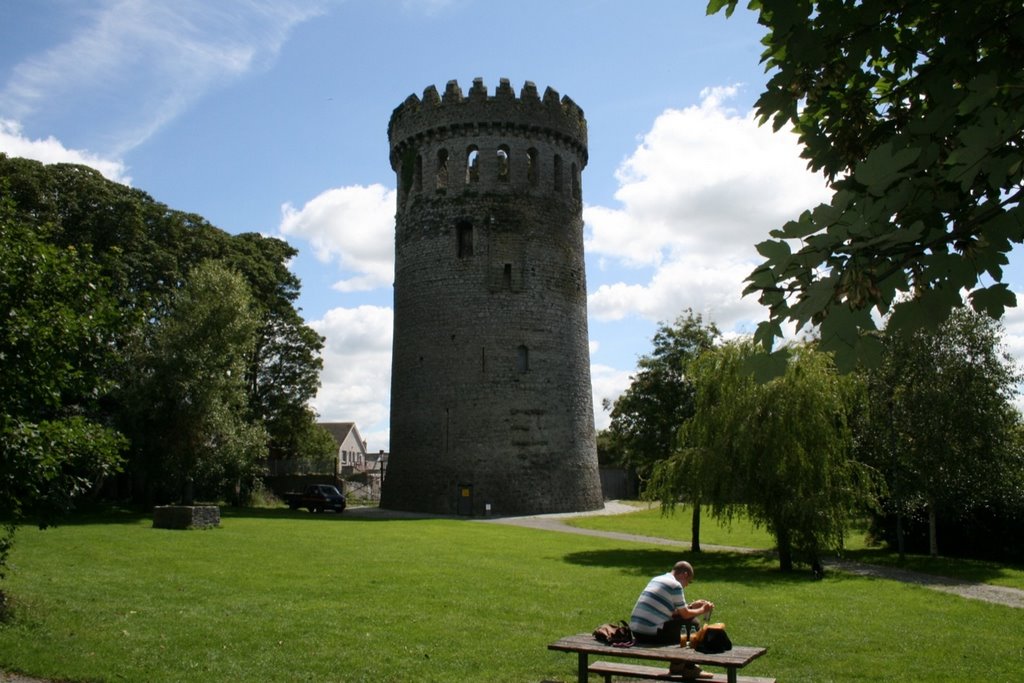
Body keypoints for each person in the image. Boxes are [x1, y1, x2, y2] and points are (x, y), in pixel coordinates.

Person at [629, 560, 715, 678]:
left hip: (637, 631)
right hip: (651, 633)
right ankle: (689, 668)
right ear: (684, 574)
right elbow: (685, 615)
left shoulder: (657, 579)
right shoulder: (675, 585)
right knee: (693, 625)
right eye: (688, 581)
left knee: (684, 627)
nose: (687, 585)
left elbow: (671, 613)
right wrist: (703, 610)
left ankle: (678, 665)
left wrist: (691, 606)